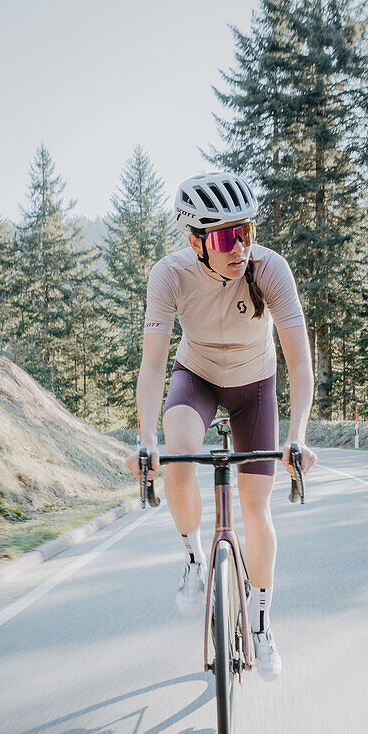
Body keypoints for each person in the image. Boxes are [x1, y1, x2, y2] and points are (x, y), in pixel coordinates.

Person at [126, 171, 316, 680]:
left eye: (247, 231)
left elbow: (299, 364)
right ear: (196, 242)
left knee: (257, 509)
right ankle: (192, 558)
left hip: (256, 385)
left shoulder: (270, 269)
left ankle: (261, 623)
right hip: (198, 378)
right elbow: (151, 366)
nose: (241, 247)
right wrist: (146, 441)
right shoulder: (168, 275)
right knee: (178, 456)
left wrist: (296, 436)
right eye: (227, 236)